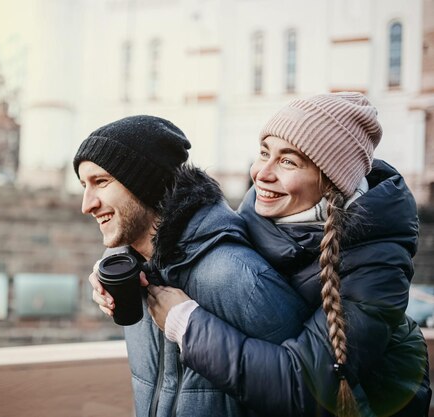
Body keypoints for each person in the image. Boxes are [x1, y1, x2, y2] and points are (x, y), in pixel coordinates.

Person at [144, 93, 431, 416]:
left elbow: (309, 388)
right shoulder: (260, 212)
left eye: (288, 161)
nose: (261, 173)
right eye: (264, 153)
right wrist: (124, 268)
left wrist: (186, 324)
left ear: (331, 182)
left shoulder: (377, 262)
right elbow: (195, 248)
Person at [73, 114, 313, 417]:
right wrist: (114, 266)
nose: (86, 204)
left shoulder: (235, 275)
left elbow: (314, 394)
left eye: (101, 182)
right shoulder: (130, 271)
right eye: (84, 185)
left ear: (145, 184)